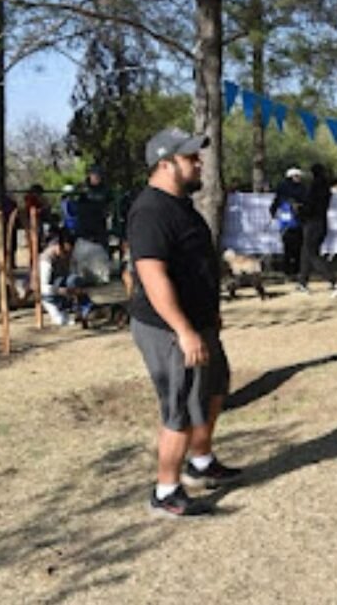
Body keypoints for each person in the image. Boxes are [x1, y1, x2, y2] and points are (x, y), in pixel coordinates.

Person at [127, 127, 241, 518]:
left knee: (215, 387)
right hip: (168, 328)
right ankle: (166, 491)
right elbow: (153, 279)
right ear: (165, 164)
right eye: (190, 158)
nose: (199, 163)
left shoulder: (181, 205)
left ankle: (202, 463)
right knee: (178, 407)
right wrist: (185, 330)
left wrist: (208, 315)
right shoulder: (150, 211)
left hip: (197, 320)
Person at [296, 164, 337, 296]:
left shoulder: (315, 188)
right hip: (321, 223)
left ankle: (334, 282)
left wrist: (299, 209)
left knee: (312, 254)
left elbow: (310, 207)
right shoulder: (325, 188)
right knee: (306, 252)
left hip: (312, 223)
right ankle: (302, 282)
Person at [38, 229, 92, 326]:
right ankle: (61, 308)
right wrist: (60, 290)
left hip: (64, 287)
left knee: (75, 280)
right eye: (65, 252)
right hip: (50, 293)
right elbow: (42, 288)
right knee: (61, 321)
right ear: (59, 246)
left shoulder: (69, 255)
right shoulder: (46, 259)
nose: (67, 255)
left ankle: (85, 312)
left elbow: (74, 274)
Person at [270, 168, 305, 276]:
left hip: (294, 221)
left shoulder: (299, 188)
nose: (298, 179)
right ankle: (291, 269)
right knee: (290, 247)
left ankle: (294, 269)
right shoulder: (287, 188)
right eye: (297, 176)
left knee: (294, 247)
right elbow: (276, 201)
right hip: (289, 221)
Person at [76, 165, 113, 249]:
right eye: (94, 175)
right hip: (86, 224)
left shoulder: (105, 190)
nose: (96, 177)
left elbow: (109, 203)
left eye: (98, 175)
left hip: (99, 223)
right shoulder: (83, 189)